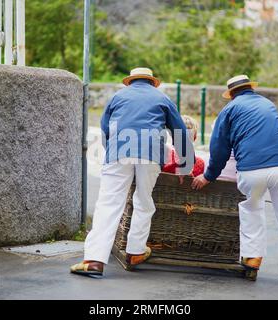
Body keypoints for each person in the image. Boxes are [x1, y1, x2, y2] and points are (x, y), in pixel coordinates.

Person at [191, 75, 278, 286]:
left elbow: (219, 148)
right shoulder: (268, 104)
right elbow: (275, 131)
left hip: (251, 170)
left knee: (251, 208)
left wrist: (208, 176)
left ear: (231, 94)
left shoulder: (229, 110)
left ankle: (252, 258)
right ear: (251, 88)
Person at [71, 68, 195, 277]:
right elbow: (179, 131)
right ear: (152, 82)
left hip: (119, 151)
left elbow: (105, 129)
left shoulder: (117, 97)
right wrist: (185, 166)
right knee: (144, 201)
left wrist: (111, 152)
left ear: (130, 82)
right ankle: (136, 252)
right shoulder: (162, 98)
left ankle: (94, 260)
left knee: (109, 204)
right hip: (150, 153)